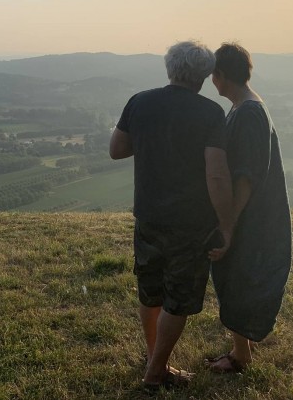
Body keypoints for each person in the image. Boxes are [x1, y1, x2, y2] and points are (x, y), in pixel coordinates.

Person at [110, 40, 234, 391]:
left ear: (169, 68)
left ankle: (155, 358)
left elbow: (117, 150)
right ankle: (154, 372)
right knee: (178, 299)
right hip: (191, 224)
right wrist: (226, 224)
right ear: (204, 76)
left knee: (150, 293)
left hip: (147, 216)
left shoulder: (140, 102)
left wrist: (150, 141)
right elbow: (216, 174)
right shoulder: (210, 114)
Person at [205, 42, 292, 374]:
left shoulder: (249, 112)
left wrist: (229, 224)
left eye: (213, 75)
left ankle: (241, 356)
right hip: (255, 214)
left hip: (252, 216)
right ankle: (242, 346)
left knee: (237, 279)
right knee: (239, 276)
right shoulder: (247, 107)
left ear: (221, 75)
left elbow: (246, 177)